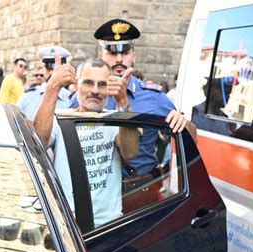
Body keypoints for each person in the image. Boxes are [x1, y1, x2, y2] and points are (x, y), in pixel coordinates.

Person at [34, 57, 141, 226]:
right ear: (76, 85)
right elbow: (38, 143)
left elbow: (130, 152)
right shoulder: (60, 118)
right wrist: (53, 87)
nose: (95, 90)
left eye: (102, 84)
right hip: (67, 222)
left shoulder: (114, 120)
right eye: (88, 83)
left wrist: (122, 102)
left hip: (108, 224)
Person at [88, 18, 191, 176]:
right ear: (100, 55)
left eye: (125, 52)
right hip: (98, 190)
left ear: (134, 56)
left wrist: (184, 123)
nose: (119, 59)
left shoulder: (153, 97)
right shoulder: (89, 94)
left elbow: (189, 137)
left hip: (140, 191)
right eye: (112, 52)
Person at [16, 46, 72, 121]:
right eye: (48, 67)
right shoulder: (27, 97)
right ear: (43, 69)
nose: (52, 72)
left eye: (56, 68)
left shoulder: (71, 99)